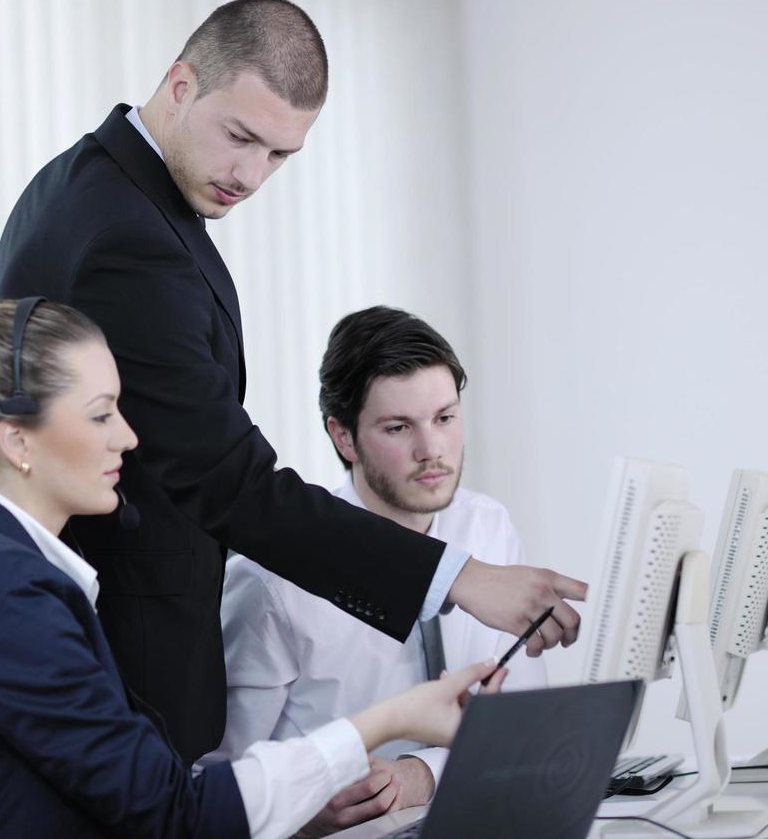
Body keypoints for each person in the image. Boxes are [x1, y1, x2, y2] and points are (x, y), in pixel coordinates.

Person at [0, 0, 584, 761]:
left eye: (279, 155)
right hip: (126, 657)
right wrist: (456, 578)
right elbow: (224, 478)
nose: (251, 175)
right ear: (181, 85)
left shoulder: (93, 187)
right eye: (239, 137)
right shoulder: (127, 237)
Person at [0, 297, 507, 838]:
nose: (128, 436)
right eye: (100, 415)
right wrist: (391, 721)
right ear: (17, 441)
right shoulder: (0, 590)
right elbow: (171, 815)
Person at [207, 307, 548, 835]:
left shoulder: (487, 527)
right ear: (344, 438)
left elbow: (525, 726)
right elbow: (215, 779)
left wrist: (421, 775)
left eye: (445, 418)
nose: (431, 450)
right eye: (398, 427)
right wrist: (298, 818)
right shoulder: (270, 578)